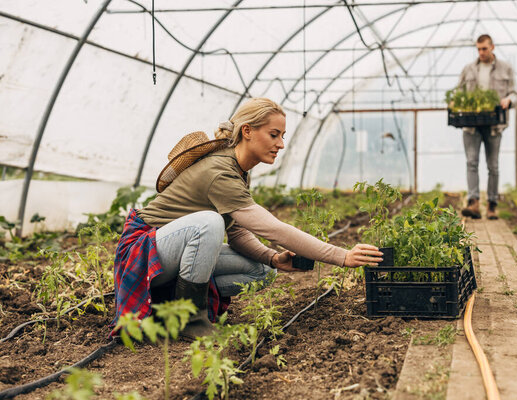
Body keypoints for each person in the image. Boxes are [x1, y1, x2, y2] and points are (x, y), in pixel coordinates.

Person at [112, 97, 383, 340]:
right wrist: (341, 256)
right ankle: (190, 320)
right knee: (209, 223)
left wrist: (272, 257)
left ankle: (164, 306)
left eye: (283, 135)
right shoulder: (221, 171)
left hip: (170, 255)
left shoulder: (238, 169)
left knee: (262, 270)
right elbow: (273, 228)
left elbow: (238, 231)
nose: (281, 144)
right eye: (274, 134)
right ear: (247, 131)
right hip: (142, 253)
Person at [458, 34, 517, 219]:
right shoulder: (468, 69)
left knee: (493, 165)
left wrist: (508, 100)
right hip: (471, 125)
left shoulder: (505, 68)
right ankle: (473, 202)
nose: (481, 52)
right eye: (478, 49)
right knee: (471, 162)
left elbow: (515, 93)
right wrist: (458, 103)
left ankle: (492, 205)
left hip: (494, 125)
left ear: (492, 47)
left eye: (484, 48)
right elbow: (459, 92)